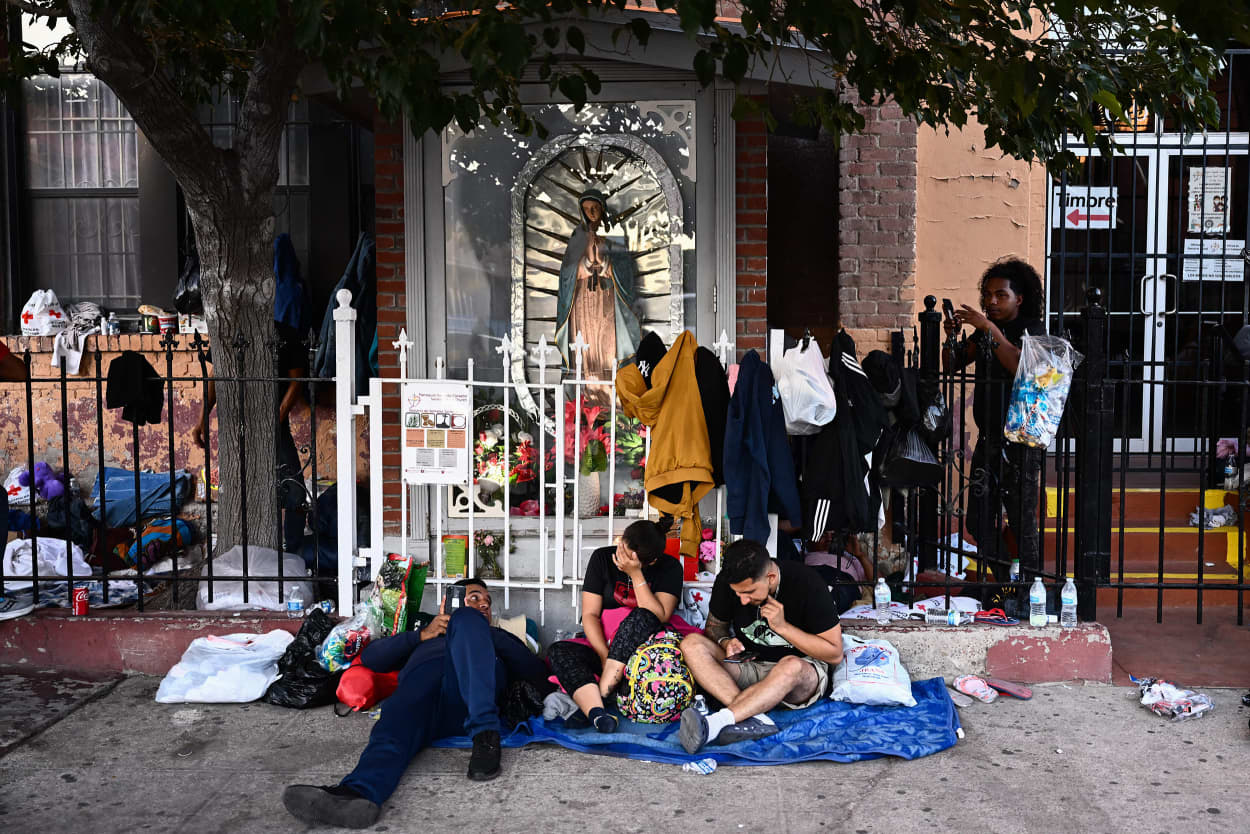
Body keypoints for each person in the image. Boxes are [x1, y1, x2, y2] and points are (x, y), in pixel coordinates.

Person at [283, 578, 548, 829]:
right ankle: (358, 793)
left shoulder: (496, 638)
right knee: (396, 714)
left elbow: (537, 675)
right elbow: (373, 659)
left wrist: (485, 633)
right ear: (445, 604)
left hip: (468, 703)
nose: (484, 605)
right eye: (474, 597)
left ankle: (485, 735)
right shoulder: (423, 634)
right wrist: (420, 636)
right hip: (420, 703)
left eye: (487, 602)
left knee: (467, 620)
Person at [678, 539, 843, 754]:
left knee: (790, 665)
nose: (743, 600)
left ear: (770, 578)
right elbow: (714, 627)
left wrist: (784, 628)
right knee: (691, 644)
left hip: (799, 674)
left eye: (750, 592)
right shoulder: (731, 582)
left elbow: (835, 653)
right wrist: (725, 641)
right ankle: (755, 716)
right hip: (749, 663)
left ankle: (716, 724)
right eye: (738, 594)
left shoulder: (807, 583)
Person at [942, 257, 1046, 584]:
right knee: (978, 521)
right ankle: (1006, 580)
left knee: (1021, 522)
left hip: (1020, 444)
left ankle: (1030, 587)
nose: (991, 301)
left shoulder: (1033, 330)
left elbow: (1018, 365)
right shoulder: (985, 333)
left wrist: (987, 327)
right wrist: (951, 336)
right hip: (989, 440)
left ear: (1020, 298)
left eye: (1001, 295)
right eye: (987, 294)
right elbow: (952, 364)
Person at [546, 518, 682, 732]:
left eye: (630, 558)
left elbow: (660, 615)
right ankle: (598, 714)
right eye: (622, 548)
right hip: (605, 644)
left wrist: (635, 574)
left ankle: (593, 702)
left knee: (641, 616)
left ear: (652, 561)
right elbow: (590, 614)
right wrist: (603, 654)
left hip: (643, 654)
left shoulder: (670, 567)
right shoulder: (602, 558)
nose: (622, 557)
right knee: (559, 650)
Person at [191, 321, 309, 556]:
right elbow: (215, 375)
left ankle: (293, 552)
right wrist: (202, 419)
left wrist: (278, 417)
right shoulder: (229, 332)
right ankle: (254, 554)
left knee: (294, 492)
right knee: (243, 491)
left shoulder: (285, 333)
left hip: (273, 424)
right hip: (235, 424)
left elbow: (297, 380)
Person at [554, 187, 641, 409]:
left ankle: (611, 399)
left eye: (595, 208)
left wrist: (606, 265)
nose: (591, 213)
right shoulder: (577, 237)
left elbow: (625, 272)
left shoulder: (614, 236)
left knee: (606, 347)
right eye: (587, 210)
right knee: (586, 351)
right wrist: (582, 266)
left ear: (602, 209)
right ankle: (588, 401)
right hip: (583, 303)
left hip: (607, 300)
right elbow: (566, 274)